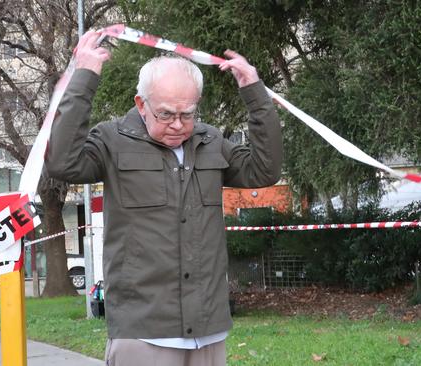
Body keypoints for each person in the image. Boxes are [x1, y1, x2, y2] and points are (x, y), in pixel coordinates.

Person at [45, 30, 283, 366]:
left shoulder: (210, 141)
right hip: (143, 332)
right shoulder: (112, 140)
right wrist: (84, 77)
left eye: (188, 114)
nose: (178, 125)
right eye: (166, 114)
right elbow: (62, 162)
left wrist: (254, 94)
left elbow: (264, 171)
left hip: (208, 330)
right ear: (141, 104)